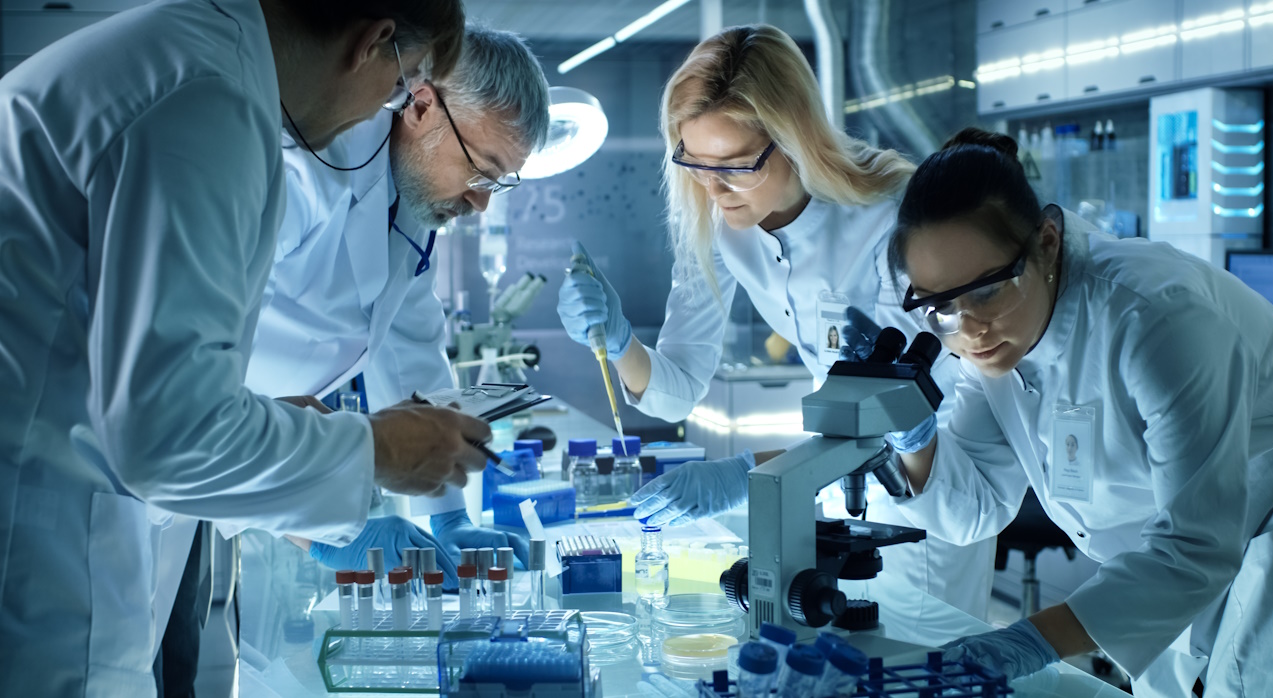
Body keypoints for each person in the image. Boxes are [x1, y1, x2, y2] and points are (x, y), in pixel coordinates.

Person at [0, 1, 492, 695]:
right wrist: (375, 451)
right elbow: (169, 438)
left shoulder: (195, 58)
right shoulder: (210, 100)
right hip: (40, 552)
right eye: (398, 84)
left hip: (70, 508)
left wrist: (285, 435)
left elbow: (150, 388)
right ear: (373, 41)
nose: (382, 111)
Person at [883, 128, 1273, 696]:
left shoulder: (1155, 318)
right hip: (1164, 568)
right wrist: (916, 440)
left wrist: (1033, 639)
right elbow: (976, 507)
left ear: (1047, 244)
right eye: (940, 307)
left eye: (985, 291)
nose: (970, 329)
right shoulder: (989, 346)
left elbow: (1196, 544)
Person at [555, 24, 995, 620]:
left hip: (933, 486)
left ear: (795, 140)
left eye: (736, 166)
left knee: (918, 664)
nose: (713, 188)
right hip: (832, 484)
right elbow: (677, 386)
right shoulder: (719, 218)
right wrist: (618, 338)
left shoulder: (892, 220)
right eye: (694, 162)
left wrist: (742, 476)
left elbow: (901, 415)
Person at [247, 23, 551, 578]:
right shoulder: (306, 170)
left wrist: (448, 514)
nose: (482, 203)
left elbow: (410, 347)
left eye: (500, 184)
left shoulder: (411, 202)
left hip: (263, 465)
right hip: (218, 467)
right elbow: (208, 403)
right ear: (421, 107)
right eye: (481, 171)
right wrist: (322, 533)